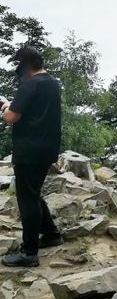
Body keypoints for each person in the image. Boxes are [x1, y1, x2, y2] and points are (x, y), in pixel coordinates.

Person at [1, 46, 63, 267]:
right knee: (33, 193)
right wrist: (13, 105)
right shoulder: (53, 83)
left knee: (27, 199)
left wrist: (5, 107)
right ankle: (51, 234)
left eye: (19, 64)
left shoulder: (29, 84)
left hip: (28, 150)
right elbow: (35, 110)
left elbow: (11, 117)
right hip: (46, 148)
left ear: (25, 64)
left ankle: (29, 253)